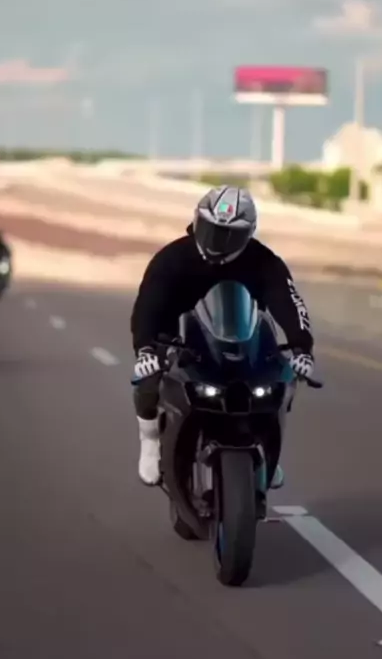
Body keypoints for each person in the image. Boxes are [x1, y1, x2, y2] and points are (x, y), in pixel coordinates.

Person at [130, 185, 315, 487]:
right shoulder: (171, 258)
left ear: (249, 234)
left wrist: (301, 348)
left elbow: (289, 302)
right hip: (179, 338)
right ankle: (149, 440)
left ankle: (268, 449)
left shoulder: (265, 261)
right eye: (212, 229)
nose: (217, 241)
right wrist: (145, 349)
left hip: (243, 338)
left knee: (283, 375)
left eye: (229, 235)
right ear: (197, 221)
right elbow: (147, 305)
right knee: (148, 377)